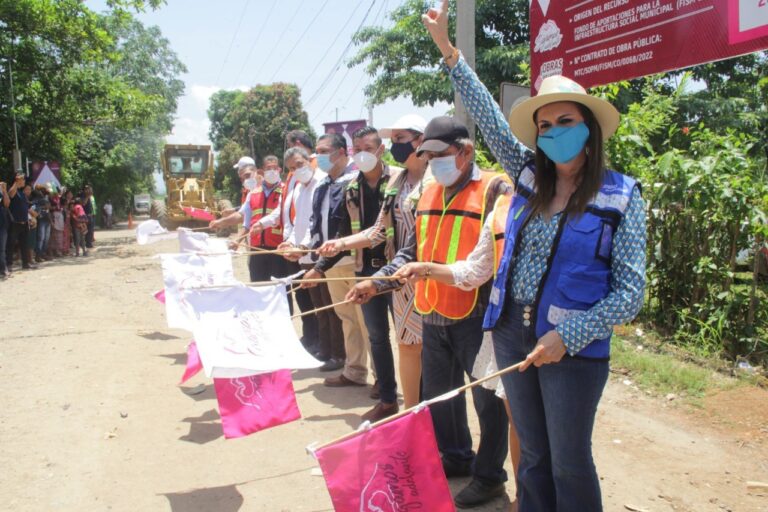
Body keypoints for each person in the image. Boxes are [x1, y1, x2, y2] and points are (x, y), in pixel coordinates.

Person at [411, 2, 648, 510]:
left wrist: (571, 335)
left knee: (568, 458)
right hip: (513, 334)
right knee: (533, 456)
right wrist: (448, 51)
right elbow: (491, 119)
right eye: (544, 125)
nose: (553, 131)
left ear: (589, 128)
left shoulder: (622, 197)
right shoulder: (528, 177)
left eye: (565, 120)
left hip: (573, 348)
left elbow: (631, 294)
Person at [348, 116, 512, 508]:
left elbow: (500, 255)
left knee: (488, 401)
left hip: (477, 314)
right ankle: (456, 457)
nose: (432, 161)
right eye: (427, 155)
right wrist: (380, 281)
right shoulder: (428, 192)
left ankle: (490, 476)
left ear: (465, 151)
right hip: (432, 308)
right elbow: (412, 250)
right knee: (441, 396)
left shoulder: (494, 188)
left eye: (440, 154)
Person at [319, 115, 429, 410]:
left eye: (400, 140)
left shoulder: (421, 181)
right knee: (385, 337)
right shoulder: (376, 185)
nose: (396, 146)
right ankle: (391, 398)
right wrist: (340, 244)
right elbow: (378, 229)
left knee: (420, 343)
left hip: (416, 273)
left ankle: (424, 405)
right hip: (376, 271)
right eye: (358, 148)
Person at [315, 126, 399, 422]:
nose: (362, 153)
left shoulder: (399, 181)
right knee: (376, 334)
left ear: (381, 150)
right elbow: (347, 229)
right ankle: (388, 397)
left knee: (409, 337)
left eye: (368, 147)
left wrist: (340, 243)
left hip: (398, 269)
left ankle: (415, 396)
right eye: (357, 148)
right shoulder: (351, 189)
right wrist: (329, 252)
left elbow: (381, 230)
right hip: (365, 268)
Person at [299, 133, 370, 388]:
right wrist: (303, 247)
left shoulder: (356, 180)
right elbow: (315, 224)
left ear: (341, 152)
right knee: (347, 318)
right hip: (329, 263)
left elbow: (350, 226)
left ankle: (384, 380)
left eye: (323, 151)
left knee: (366, 322)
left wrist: (320, 264)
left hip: (353, 259)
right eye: (316, 151)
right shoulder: (322, 186)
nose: (317, 156)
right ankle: (355, 370)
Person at [278, 148, 346, 371]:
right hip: (304, 255)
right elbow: (296, 221)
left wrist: (303, 245)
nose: (297, 170)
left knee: (331, 306)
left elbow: (313, 222)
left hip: (320, 254)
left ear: (310, 161)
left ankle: (338, 354)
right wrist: (290, 241)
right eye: (291, 168)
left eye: (299, 164)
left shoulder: (321, 183)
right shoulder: (298, 188)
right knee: (319, 307)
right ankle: (325, 350)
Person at [6, 174, 34, 270]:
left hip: (24, 222)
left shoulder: (22, 193)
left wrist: (29, 219)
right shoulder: (13, 190)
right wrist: (16, 182)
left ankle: (25, 264)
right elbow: (10, 194)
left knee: (24, 244)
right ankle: (9, 264)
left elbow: (25, 208)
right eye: (23, 180)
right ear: (18, 180)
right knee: (11, 244)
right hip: (14, 222)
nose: (24, 182)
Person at [0, 180, 11, 278]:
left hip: (2, 223)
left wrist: (4, 191)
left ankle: (4, 269)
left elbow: (7, 204)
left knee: (2, 249)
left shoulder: (1, 190)